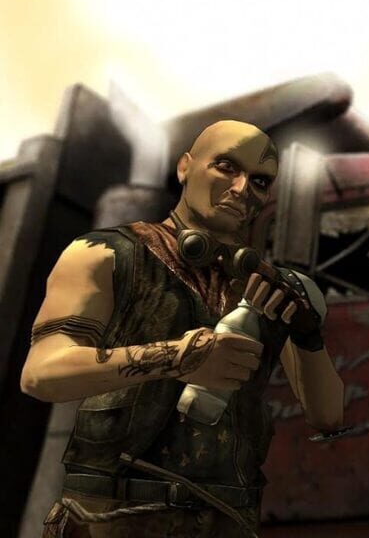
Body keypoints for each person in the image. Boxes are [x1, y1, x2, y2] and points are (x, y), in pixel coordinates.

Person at [20, 120, 345, 538]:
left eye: (260, 181)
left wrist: (307, 334)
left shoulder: (267, 286)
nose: (242, 188)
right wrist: (177, 359)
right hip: (108, 517)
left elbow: (328, 415)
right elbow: (41, 373)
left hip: (227, 520)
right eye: (227, 166)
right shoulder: (105, 253)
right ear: (185, 167)